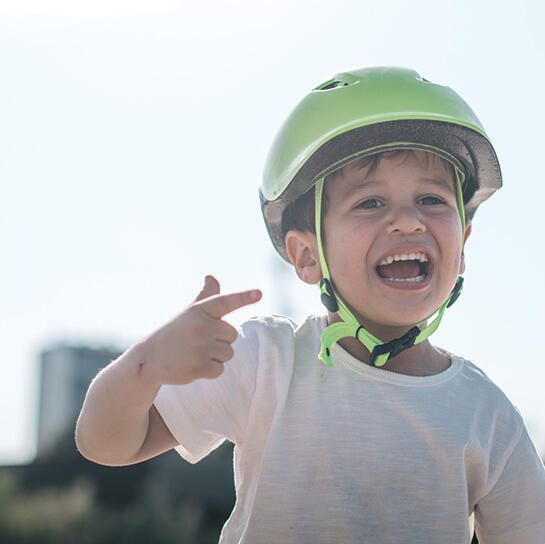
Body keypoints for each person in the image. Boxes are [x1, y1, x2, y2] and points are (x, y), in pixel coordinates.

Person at [75, 66, 545, 543]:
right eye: (370, 203)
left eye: (431, 199)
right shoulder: (265, 362)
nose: (408, 221)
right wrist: (144, 367)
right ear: (307, 254)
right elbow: (107, 443)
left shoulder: (488, 415)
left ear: (462, 242)